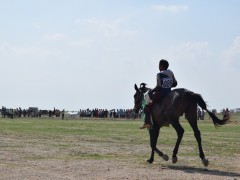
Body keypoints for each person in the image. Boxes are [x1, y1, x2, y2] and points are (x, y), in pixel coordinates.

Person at [139, 59, 177, 129]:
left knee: (147, 106)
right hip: (169, 94)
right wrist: (167, 85)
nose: (158, 67)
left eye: (159, 65)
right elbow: (175, 84)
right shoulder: (171, 73)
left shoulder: (159, 74)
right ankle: (166, 122)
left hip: (161, 93)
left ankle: (147, 122)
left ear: (161, 66)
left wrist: (151, 91)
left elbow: (158, 87)